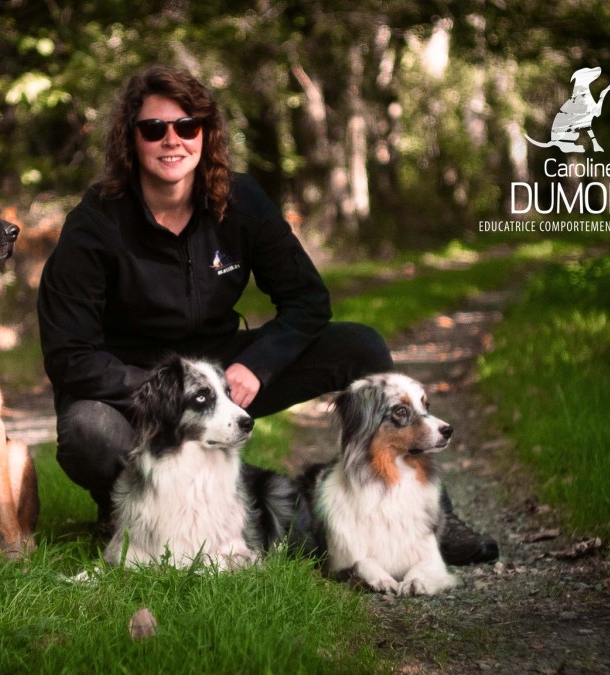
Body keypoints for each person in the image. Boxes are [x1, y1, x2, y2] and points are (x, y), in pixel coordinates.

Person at [36, 65, 497, 565]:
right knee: (88, 430)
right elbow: (70, 356)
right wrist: (166, 391)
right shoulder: (95, 223)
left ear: (205, 133)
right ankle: (125, 510)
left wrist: (257, 364)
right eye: (154, 129)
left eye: (187, 126)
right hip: (138, 380)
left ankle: (432, 517)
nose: (172, 140)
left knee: (360, 346)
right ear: (131, 139)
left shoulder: (239, 200)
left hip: (228, 368)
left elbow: (308, 301)